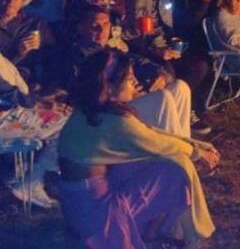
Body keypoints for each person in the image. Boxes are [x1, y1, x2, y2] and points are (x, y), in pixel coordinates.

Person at [58, 50, 218, 248]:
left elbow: (151, 133)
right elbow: (160, 144)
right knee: (178, 166)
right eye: (128, 78)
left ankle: (155, 232)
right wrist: (197, 153)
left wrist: (197, 146)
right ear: (109, 87)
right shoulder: (114, 122)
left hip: (78, 202)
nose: (134, 81)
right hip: (96, 212)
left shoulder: (90, 109)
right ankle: (194, 236)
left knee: (167, 162)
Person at [68, 7, 193, 137]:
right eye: (94, 26)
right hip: (111, 111)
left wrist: (161, 75)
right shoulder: (78, 57)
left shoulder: (112, 50)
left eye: (105, 24)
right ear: (81, 29)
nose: (101, 30)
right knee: (162, 98)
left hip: (131, 96)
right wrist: (127, 94)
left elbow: (142, 62)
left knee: (180, 87)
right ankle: (176, 152)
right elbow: (87, 95)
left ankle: (185, 143)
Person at [124, 0, 213, 134]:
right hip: (141, 50)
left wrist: (205, 1)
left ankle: (184, 111)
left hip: (163, 48)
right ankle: (168, 118)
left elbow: (186, 23)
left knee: (200, 65)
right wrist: (156, 52)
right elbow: (129, 35)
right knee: (168, 70)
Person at [0, 52, 70, 209]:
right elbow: (11, 96)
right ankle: (32, 180)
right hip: (6, 118)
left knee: (61, 115)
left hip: (12, 111)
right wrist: (38, 101)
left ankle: (27, 177)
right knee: (67, 123)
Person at [0, 0, 56, 84]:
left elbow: (51, 57)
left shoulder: (36, 24)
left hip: (27, 82)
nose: (10, 1)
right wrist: (19, 53)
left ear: (23, 0)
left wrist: (38, 49)